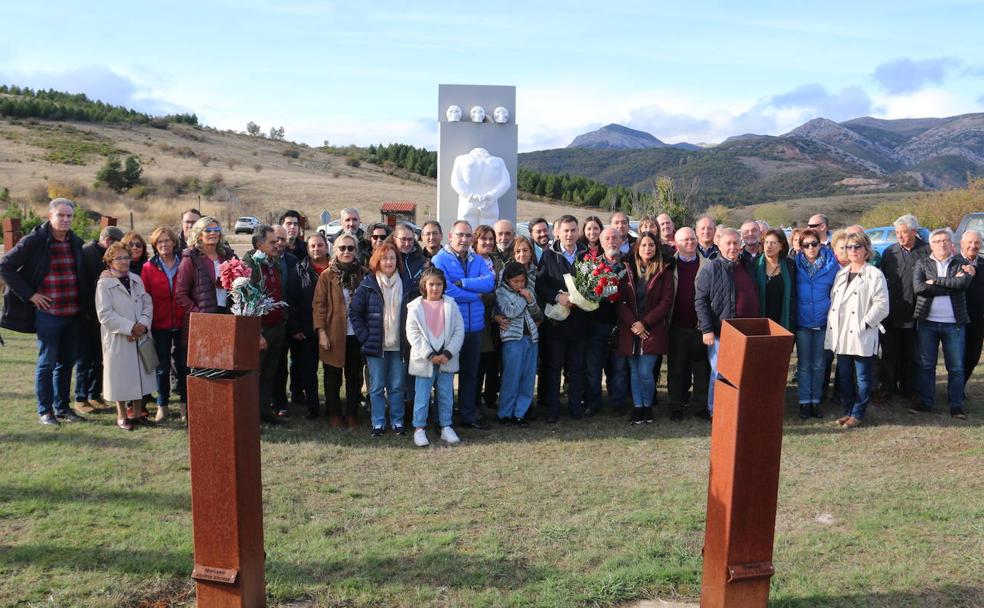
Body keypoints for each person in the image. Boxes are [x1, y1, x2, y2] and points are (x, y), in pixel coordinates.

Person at [0, 198, 87, 425]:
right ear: (50, 216)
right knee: (47, 363)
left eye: (69, 216)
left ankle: (62, 408)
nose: (66, 219)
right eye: (61, 215)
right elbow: (5, 266)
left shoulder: (75, 242)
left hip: (73, 312)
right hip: (48, 313)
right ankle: (45, 411)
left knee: (66, 363)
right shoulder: (35, 241)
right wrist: (30, 295)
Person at [431, 220, 495, 429]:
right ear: (451, 236)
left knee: (470, 373)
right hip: (451, 328)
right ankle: (445, 417)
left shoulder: (477, 259)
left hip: (475, 328)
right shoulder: (439, 259)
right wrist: (475, 295)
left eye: (468, 236)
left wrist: (465, 283)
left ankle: (468, 415)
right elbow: (447, 290)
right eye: (460, 235)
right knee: (447, 374)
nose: (465, 239)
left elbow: (489, 283)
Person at [825, 232, 889, 428]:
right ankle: (848, 410)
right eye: (848, 247)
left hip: (861, 333)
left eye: (857, 247)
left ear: (866, 250)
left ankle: (858, 413)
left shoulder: (874, 274)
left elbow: (882, 305)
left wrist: (865, 324)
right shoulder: (841, 273)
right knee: (844, 376)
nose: (852, 251)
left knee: (862, 378)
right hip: (842, 334)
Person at [695, 228, 760, 418]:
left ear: (740, 245)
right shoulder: (710, 268)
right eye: (728, 243)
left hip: (746, 330)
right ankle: (716, 410)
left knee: (743, 373)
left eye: (735, 243)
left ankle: (736, 409)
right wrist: (706, 329)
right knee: (721, 374)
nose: (732, 247)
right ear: (720, 245)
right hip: (721, 331)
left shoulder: (748, 265)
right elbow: (700, 301)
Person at [350, 240, 411, 436]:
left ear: (397, 261)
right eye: (384, 258)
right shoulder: (368, 285)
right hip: (376, 345)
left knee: (397, 386)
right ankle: (378, 422)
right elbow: (355, 313)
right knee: (376, 387)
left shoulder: (406, 284)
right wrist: (365, 337)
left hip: (399, 345)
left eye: (392, 258)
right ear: (377, 260)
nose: (388, 262)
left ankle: (397, 421)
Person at [911, 228, 972, 419]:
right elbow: (919, 288)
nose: (941, 244)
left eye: (945, 240)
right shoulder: (922, 263)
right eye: (937, 241)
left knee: (955, 367)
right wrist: (949, 285)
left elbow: (963, 284)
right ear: (931, 245)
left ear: (951, 243)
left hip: (954, 324)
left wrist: (935, 281)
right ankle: (926, 402)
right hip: (927, 322)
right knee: (926, 365)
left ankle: (956, 405)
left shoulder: (961, 262)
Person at [95, 242, 156, 431]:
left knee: (139, 375)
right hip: (119, 337)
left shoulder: (136, 279)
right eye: (118, 258)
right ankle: (122, 416)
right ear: (110, 262)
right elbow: (105, 314)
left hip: (140, 335)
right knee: (120, 378)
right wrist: (130, 328)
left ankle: (137, 414)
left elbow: (147, 303)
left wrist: (143, 325)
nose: (123, 261)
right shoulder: (104, 284)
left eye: (126, 257)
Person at [537, 215, 589, 422]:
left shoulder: (586, 255)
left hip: (580, 322)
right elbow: (540, 285)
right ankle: (553, 409)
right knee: (554, 366)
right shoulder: (548, 256)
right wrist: (557, 297)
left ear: (578, 231)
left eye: (573, 230)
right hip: (556, 323)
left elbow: (592, 282)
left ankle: (575, 408)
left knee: (577, 367)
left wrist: (584, 297)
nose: (569, 234)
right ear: (557, 232)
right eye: (565, 230)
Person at [617, 231, 673, 424]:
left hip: (652, 329)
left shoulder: (663, 270)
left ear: (656, 247)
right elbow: (620, 300)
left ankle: (648, 405)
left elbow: (665, 302)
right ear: (637, 248)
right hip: (630, 329)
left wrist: (645, 323)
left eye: (651, 245)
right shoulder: (627, 269)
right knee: (634, 371)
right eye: (643, 245)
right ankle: (638, 407)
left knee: (645, 372)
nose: (647, 249)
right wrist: (634, 324)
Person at [406, 267, 465, 446]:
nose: (435, 288)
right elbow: (413, 333)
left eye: (438, 284)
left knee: (446, 395)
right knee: (422, 396)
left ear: (443, 286)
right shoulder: (415, 307)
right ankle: (419, 428)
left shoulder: (451, 305)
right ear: (424, 285)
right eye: (431, 284)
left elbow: (458, 330)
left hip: (447, 359)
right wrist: (429, 354)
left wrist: (447, 353)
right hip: (425, 361)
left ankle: (446, 426)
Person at [313, 233, 366, 428]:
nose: (346, 251)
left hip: (356, 335)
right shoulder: (327, 275)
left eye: (350, 248)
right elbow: (319, 306)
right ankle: (335, 413)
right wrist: (322, 333)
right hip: (333, 334)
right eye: (342, 248)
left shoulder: (363, 274)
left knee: (354, 377)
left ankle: (352, 413)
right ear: (335, 250)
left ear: (356, 251)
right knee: (332, 377)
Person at [243, 225, 294, 424]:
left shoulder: (273, 262)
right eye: (272, 242)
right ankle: (251, 415)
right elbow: (247, 302)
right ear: (259, 244)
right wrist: (256, 333)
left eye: (278, 241)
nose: (278, 244)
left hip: (277, 326)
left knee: (269, 373)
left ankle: (264, 412)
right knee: (255, 373)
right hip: (260, 330)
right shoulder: (248, 265)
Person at [877, 214, 928, 403]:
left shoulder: (926, 251)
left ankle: (909, 388)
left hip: (915, 311)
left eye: (904, 232)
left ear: (914, 231)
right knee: (889, 352)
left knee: (911, 353)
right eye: (897, 232)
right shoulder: (889, 252)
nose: (900, 236)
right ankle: (887, 387)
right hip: (891, 311)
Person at [74, 225, 123, 413]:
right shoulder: (87, 253)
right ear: (108, 240)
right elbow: (82, 284)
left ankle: (95, 395)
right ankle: (81, 398)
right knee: (84, 359)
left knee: (100, 357)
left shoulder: (106, 255)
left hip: (103, 316)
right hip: (86, 315)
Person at [142, 226, 187, 421]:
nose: (163, 244)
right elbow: (145, 297)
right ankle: (163, 405)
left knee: (184, 365)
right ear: (154, 245)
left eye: (167, 240)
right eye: (159, 242)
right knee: (162, 366)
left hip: (183, 322)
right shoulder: (148, 267)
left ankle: (186, 405)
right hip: (159, 324)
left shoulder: (184, 263)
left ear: (174, 243)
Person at [793, 228, 839, 419]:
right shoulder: (794, 265)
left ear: (820, 244)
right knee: (804, 365)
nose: (810, 248)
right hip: (803, 322)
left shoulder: (832, 265)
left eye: (814, 244)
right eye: (806, 245)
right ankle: (804, 402)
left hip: (822, 322)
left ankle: (816, 401)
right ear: (801, 247)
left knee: (820, 364)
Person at [583, 227, 629, 416]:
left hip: (622, 324)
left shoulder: (630, 265)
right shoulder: (592, 266)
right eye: (607, 238)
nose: (611, 241)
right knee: (593, 368)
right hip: (596, 324)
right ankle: (594, 404)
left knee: (619, 368)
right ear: (601, 243)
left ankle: (617, 404)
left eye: (615, 238)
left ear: (621, 241)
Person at [667, 227, 710, 421]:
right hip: (676, 325)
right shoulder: (668, 265)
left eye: (693, 239)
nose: (690, 242)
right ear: (677, 243)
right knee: (676, 368)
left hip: (700, 327)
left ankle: (700, 405)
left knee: (701, 370)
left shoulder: (708, 265)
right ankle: (676, 406)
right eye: (685, 240)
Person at [174, 216, 236, 345]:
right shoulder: (190, 258)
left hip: (227, 315)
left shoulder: (228, 256)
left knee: (224, 360)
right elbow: (180, 294)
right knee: (206, 362)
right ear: (199, 234)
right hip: (203, 318)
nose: (213, 233)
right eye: (208, 230)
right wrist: (199, 314)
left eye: (216, 230)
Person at [495, 261, 543, 424]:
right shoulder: (501, 292)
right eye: (516, 281)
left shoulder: (528, 291)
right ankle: (505, 413)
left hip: (532, 338)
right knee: (511, 377)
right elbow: (510, 311)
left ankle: (520, 413)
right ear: (508, 280)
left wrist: (531, 300)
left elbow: (537, 313)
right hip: (513, 340)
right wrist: (525, 297)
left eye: (522, 281)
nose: (519, 284)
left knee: (528, 377)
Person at [291, 232, 330, 419]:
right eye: (312, 246)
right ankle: (313, 407)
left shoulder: (335, 267)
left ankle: (333, 406)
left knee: (332, 370)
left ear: (326, 247)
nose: (316, 249)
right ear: (307, 249)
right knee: (309, 370)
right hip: (307, 329)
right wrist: (296, 328)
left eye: (320, 245)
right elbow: (292, 301)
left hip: (332, 328)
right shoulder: (299, 269)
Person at [473, 224, 501, 413]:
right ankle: (473, 402)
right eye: (484, 239)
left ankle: (490, 399)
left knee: (493, 362)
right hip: (478, 318)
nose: (488, 242)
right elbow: (475, 292)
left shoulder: (497, 262)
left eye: (491, 239)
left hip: (497, 319)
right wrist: (489, 296)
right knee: (478, 364)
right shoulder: (471, 262)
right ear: (476, 240)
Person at [754, 229, 797, 330]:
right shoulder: (754, 265)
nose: (769, 246)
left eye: (773, 243)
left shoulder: (790, 265)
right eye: (766, 242)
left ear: (781, 246)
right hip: (760, 320)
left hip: (783, 321)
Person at [959, 230, 984, 386]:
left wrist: (975, 273)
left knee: (973, 356)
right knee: (956, 357)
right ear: (962, 243)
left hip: (977, 318)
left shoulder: (983, 264)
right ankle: (955, 389)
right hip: (955, 317)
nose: (973, 246)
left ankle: (959, 386)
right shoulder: (953, 262)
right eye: (970, 242)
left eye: (976, 243)